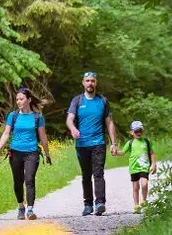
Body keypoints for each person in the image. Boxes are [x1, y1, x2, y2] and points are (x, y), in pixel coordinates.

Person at [66, 71, 117, 216]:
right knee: (86, 175)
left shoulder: (102, 101)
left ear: (96, 83)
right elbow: (69, 119)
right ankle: (88, 204)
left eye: (92, 81)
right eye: (87, 81)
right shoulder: (77, 101)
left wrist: (113, 143)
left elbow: (109, 122)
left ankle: (100, 203)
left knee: (98, 173)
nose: (90, 83)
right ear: (83, 83)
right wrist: (73, 128)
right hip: (82, 144)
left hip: (98, 143)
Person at [0, 87, 51, 220]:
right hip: (15, 153)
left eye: (21, 99)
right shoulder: (13, 116)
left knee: (29, 179)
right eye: (17, 99)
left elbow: (43, 137)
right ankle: (21, 207)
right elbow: (6, 133)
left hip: (32, 152)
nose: (18, 102)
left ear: (29, 100)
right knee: (18, 181)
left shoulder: (37, 117)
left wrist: (47, 154)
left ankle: (30, 210)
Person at [115, 120, 157, 213]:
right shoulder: (130, 143)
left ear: (143, 131)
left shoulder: (146, 142)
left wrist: (154, 164)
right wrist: (116, 152)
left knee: (144, 184)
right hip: (134, 168)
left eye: (140, 131)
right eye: (136, 131)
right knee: (135, 187)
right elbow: (122, 152)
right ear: (131, 132)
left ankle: (144, 201)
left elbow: (151, 153)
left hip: (144, 167)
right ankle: (136, 205)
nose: (138, 133)